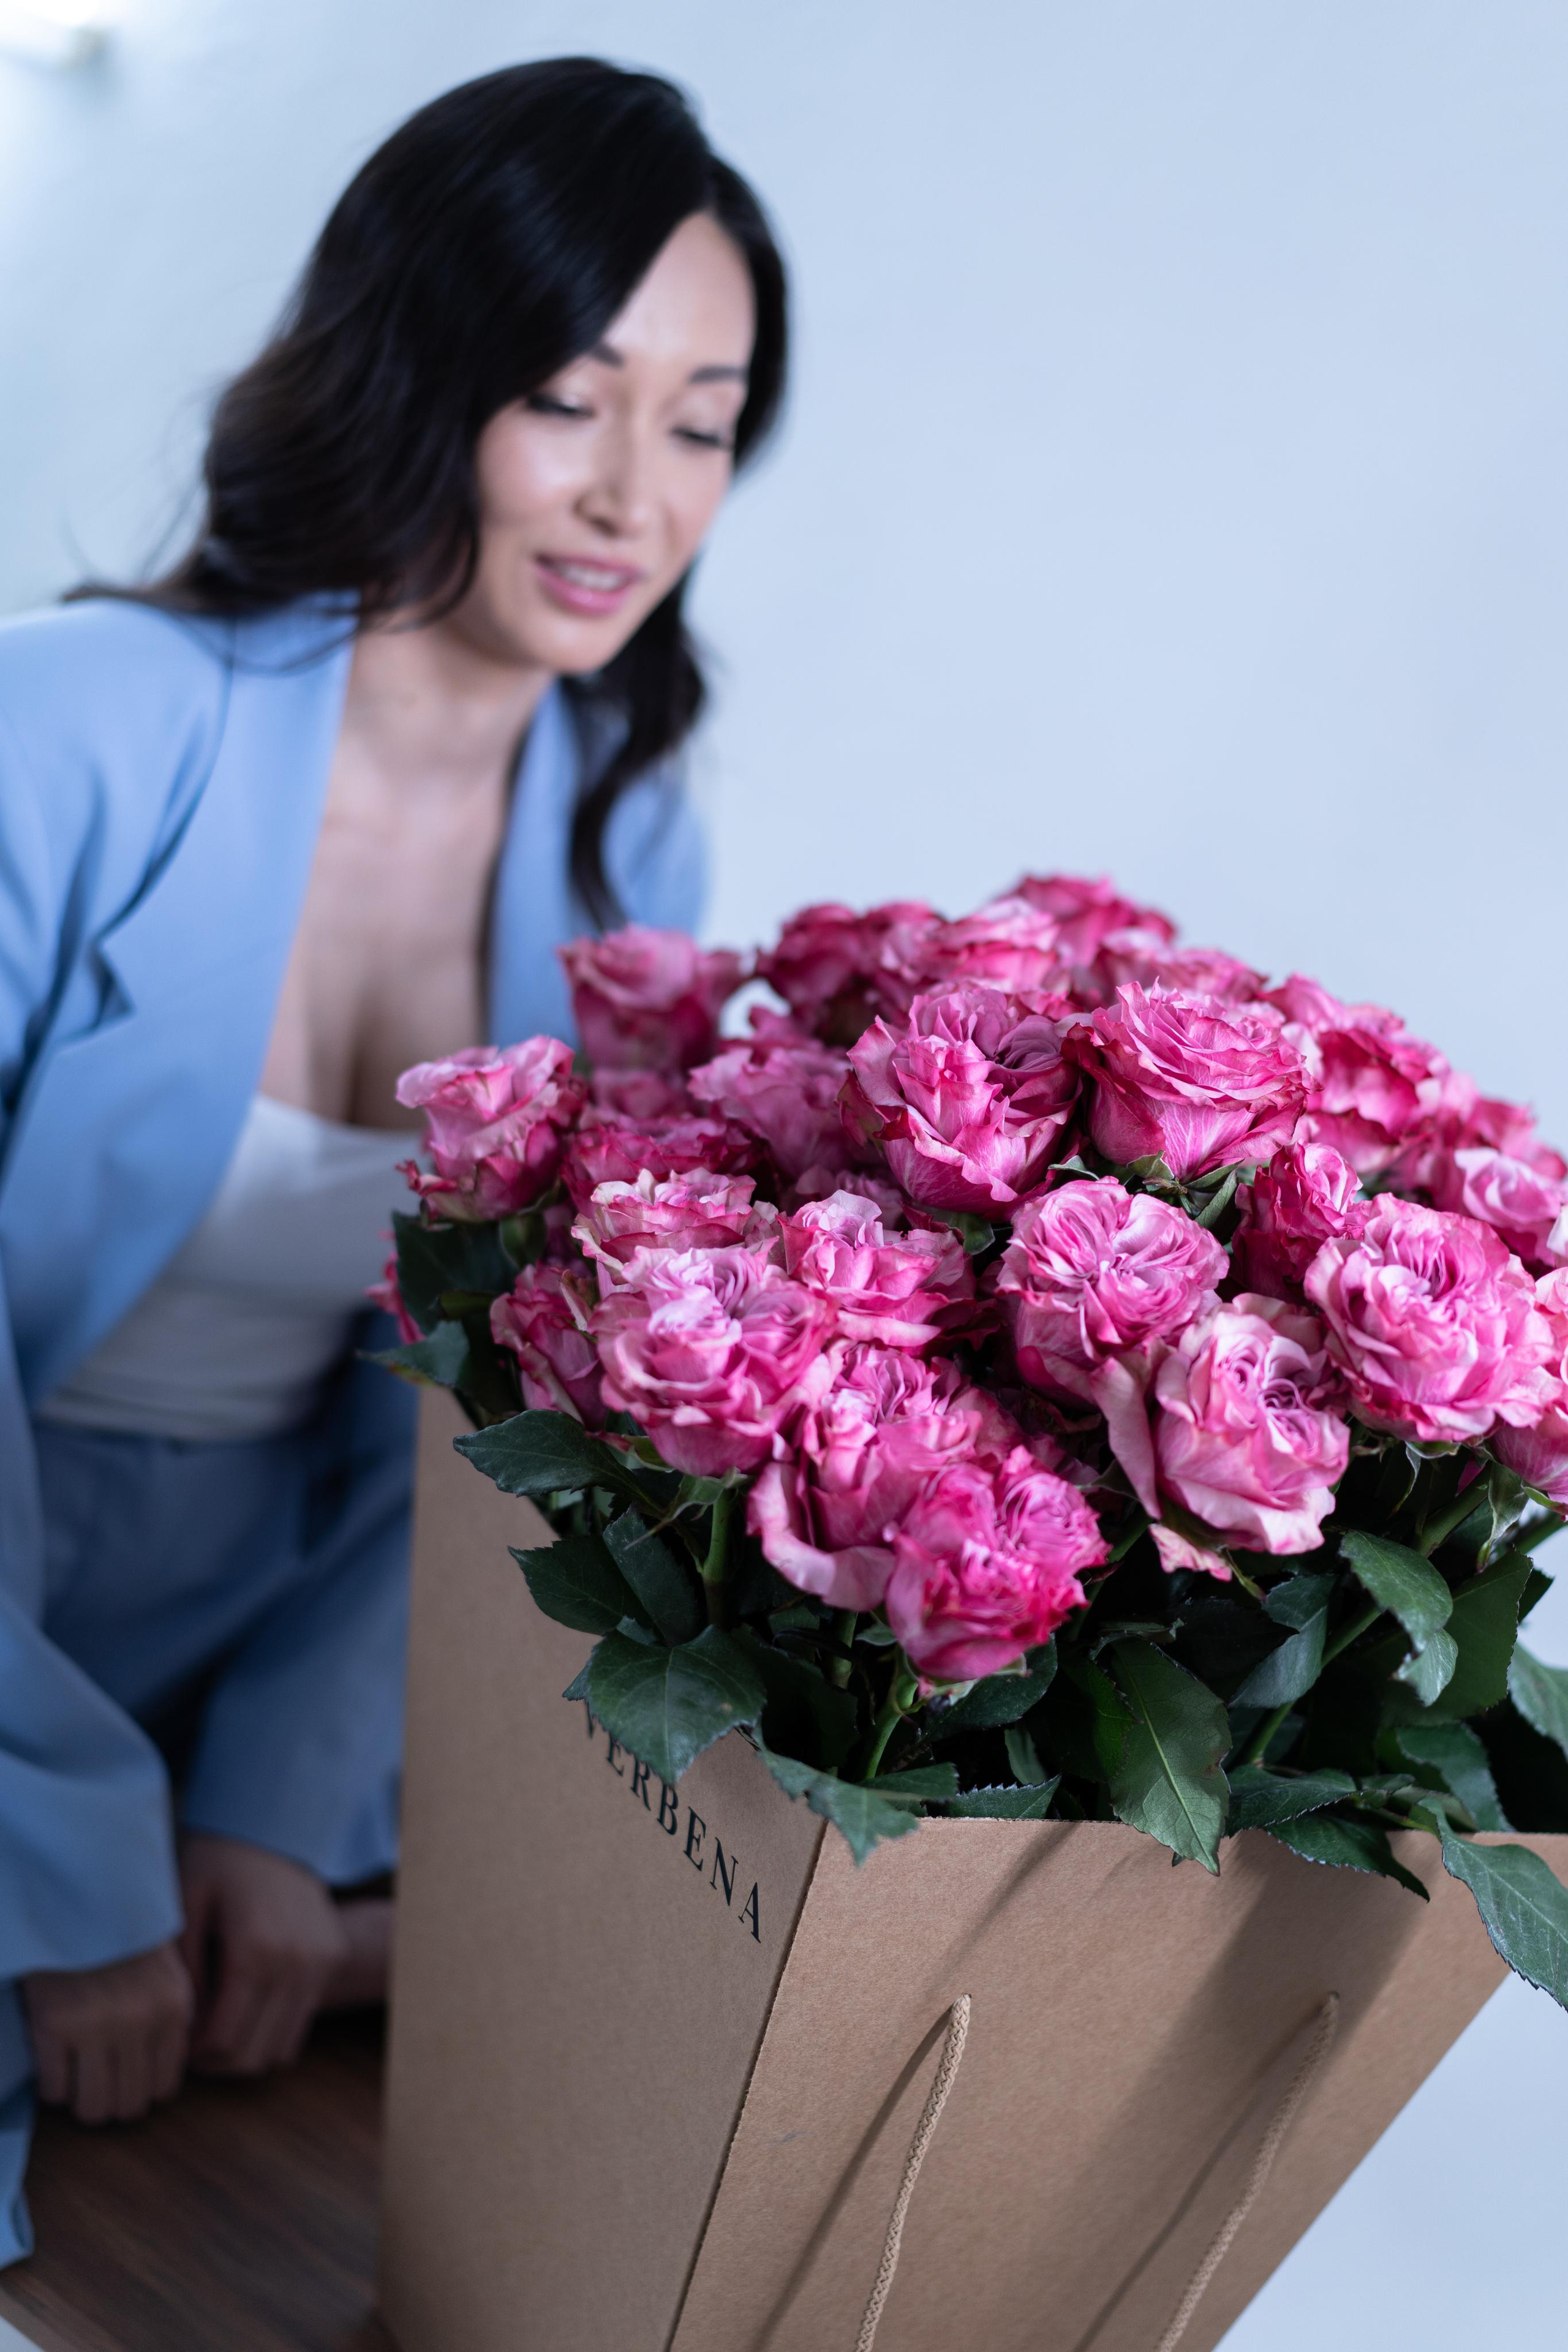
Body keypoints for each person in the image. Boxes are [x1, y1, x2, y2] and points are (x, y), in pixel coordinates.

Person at [0, 56, 786, 2261]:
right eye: (570, 392)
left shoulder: (635, 849)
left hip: (270, 1621)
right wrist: (66, 1856)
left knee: (682, 1970)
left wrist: (272, 1794)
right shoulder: (68, 731)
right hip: (7, 1598)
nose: (636, 492)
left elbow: (502, 1404)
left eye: (704, 422)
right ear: (413, 371)